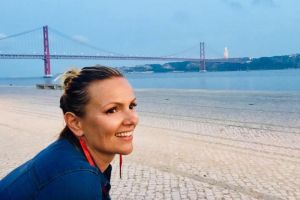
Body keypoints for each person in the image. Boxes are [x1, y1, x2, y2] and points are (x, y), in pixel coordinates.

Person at [0, 65, 139, 200]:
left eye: (131, 106)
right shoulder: (76, 181)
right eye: (112, 110)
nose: (132, 119)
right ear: (75, 123)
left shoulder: (66, 150)